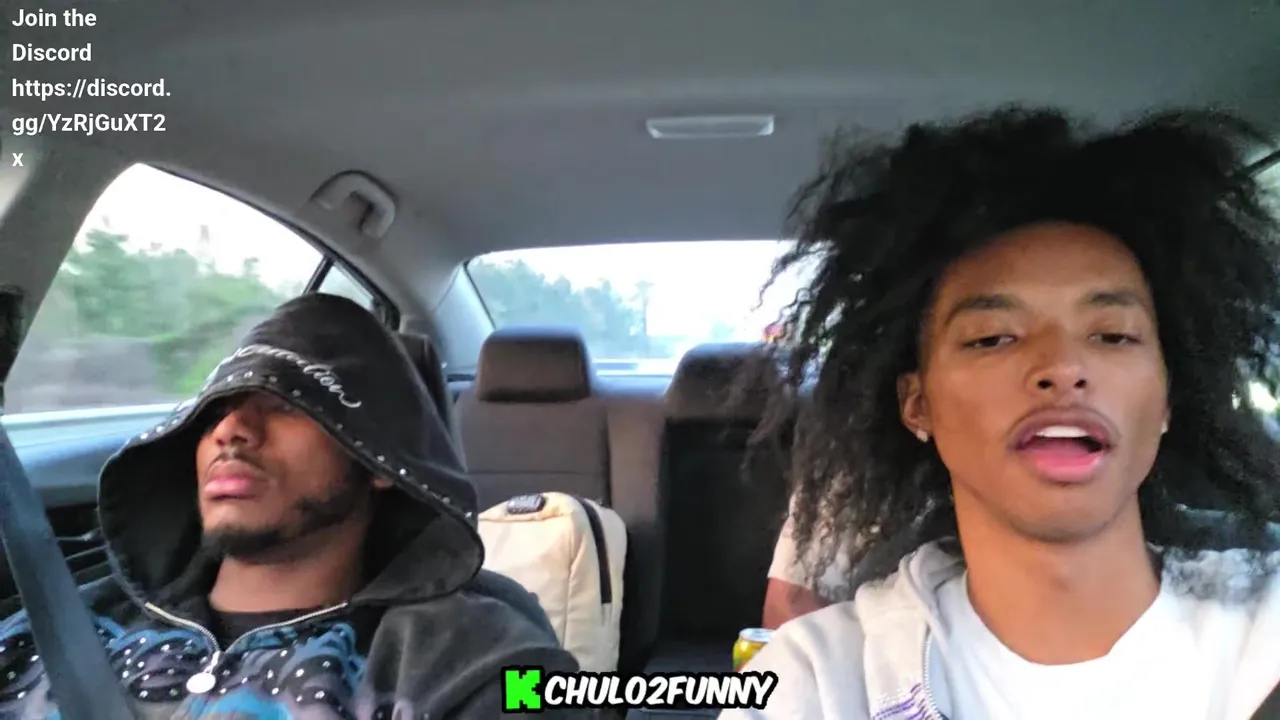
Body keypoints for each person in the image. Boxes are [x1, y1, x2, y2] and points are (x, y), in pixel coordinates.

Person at [723, 107, 1280, 719]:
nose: (1062, 366)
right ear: (917, 404)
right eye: (992, 338)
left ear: (1168, 398)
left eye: (1113, 335)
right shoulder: (817, 680)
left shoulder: (1264, 637)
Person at [0, 293, 586, 718]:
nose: (231, 429)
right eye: (216, 408)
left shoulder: (467, 661)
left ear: (378, 462)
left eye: (286, 405)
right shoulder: (60, 618)